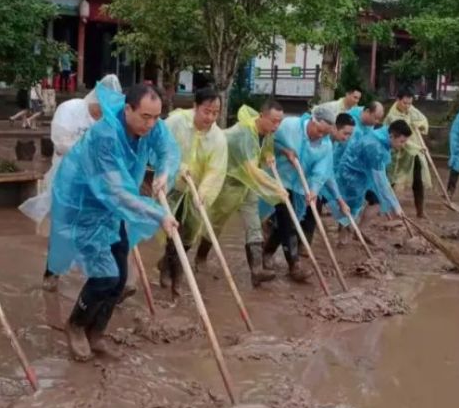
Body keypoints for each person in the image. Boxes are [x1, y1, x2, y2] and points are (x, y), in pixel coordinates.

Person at [47, 83, 180, 361]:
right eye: (145, 117)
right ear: (128, 109)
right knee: (104, 275)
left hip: (113, 208)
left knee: (119, 278)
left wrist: (164, 173)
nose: (152, 123)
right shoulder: (104, 136)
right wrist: (158, 214)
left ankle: (97, 333)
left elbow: (167, 148)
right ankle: (75, 325)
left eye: (157, 117)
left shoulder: (151, 126)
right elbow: (114, 191)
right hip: (84, 203)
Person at [19, 74, 122, 290]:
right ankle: (52, 273)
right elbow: (60, 145)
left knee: (100, 227)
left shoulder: (110, 121)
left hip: (95, 183)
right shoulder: (71, 109)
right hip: (66, 180)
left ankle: (103, 280)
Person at [198, 100, 286, 286]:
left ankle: (256, 270)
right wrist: (277, 188)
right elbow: (252, 170)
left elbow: (264, 151)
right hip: (228, 180)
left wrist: (268, 155)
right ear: (261, 116)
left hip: (247, 184)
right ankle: (200, 257)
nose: (276, 126)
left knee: (253, 222)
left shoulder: (267, 132)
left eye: (280, 121)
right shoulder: (243, 135)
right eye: (273, 121)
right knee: (216, 222)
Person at [262, 105, 350, 282]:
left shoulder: (325, 145)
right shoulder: (290, 126)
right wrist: (283, 150)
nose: (320, 135)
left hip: (299, 186)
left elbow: (321, 172)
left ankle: (267, 252)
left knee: (287, 222)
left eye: (325, 134)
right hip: (277, 178)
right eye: (318, 131)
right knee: (287, 218)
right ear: (312, 120)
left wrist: (314, 191)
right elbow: (268, 140)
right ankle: (294, 265)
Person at [159, 88, 228, 297]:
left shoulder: (218, 138)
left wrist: (202, 195)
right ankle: (175, 276)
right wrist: (177, 167)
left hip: (195, 191)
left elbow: (215, 170)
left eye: (215, 113)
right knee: (171, 230)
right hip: (171, 185)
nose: (210, 117)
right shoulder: (175, 122)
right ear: (195, 107)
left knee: (189, 234)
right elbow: (160, 147)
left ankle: (168, 266)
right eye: (206, 111)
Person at [331, 119, 411, 244]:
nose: (403, 145)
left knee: (377, 201)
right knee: (351, 207)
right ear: (392, 136)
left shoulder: (384, 137)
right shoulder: (375, 147)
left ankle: (359, 231)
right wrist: (395, 206)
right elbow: (381, 181)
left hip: (366, 174)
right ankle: (343, 239)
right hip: (351, 174)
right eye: (401, 141)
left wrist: (394, 204)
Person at [385, 86, 431, 218]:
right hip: (398, 153)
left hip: (415, 152)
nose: (407, 106)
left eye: (410, 103)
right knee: (393, 180)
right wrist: (417, 147)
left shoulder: (411, 109)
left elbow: (423, 120)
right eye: (405, 103)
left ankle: (420, 211)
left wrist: (419, 125)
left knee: (418, 180)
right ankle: (390, 210)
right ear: (398, 100)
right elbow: (400, 139)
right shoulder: (392, 116)